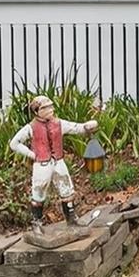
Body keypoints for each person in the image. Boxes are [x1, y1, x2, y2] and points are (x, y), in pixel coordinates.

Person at [10, 96, 99, 227]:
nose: (51, 109)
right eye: (46, 107)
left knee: (67, 189)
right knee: (39, 192)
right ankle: (37, 224)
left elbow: (75, 127)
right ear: (37, 111)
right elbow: (14, 143)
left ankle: (71, 219)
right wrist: (31, 154)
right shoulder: (31, 127)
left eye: (51, 106)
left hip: (58, 161)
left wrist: (86, 127)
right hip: (42, 164)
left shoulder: (58, 123)